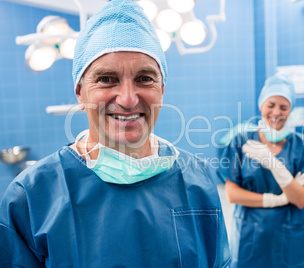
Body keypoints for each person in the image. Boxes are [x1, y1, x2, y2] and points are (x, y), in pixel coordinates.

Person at [0, 1, 230, 267]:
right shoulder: (31, 196)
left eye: (145, 78)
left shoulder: (196, 178)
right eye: (106, 79)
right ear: (80, 93)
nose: (129, 99)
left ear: (162, 90)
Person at [219, 73, 304, 268]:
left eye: (284, 107)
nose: (276, 112)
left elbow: (301, 199)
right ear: (261, 106)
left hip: (290, 240)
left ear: (290, 110)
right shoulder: (242, 141)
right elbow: (232, 194)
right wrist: (279, 199)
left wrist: (274, 164)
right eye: (271, 105)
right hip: (251, 239)